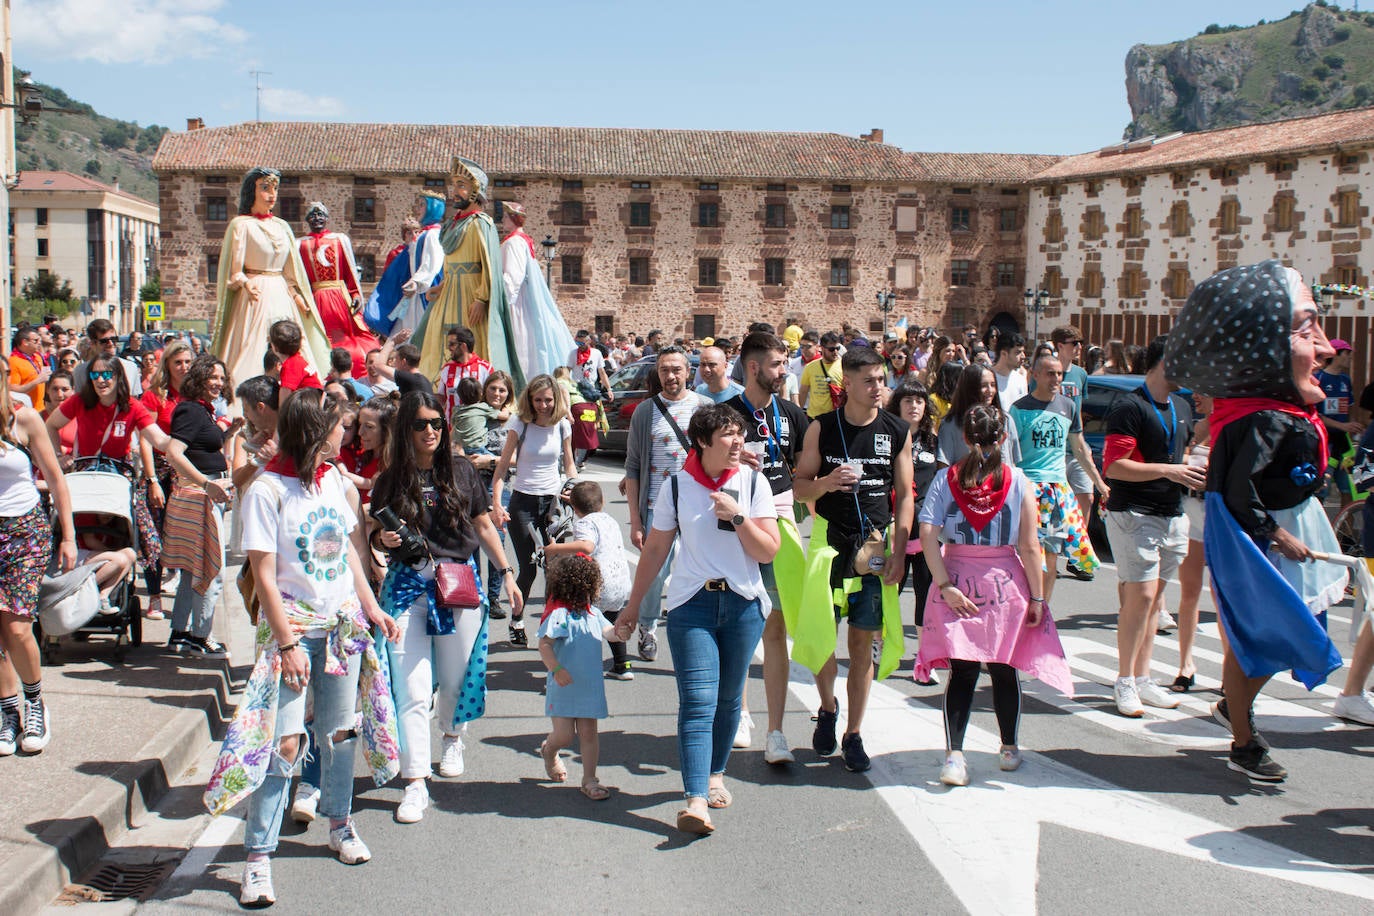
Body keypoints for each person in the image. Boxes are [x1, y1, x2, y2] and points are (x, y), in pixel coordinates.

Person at [203, 389, 402, 908]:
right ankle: (257, 859)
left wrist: (372, 608)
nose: (350, 434)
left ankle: (340, 823)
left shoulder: (334, 479)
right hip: (292, 631)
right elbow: (263, 576)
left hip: (341, 627)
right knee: (284, 745)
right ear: (317, 430)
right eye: (342, 427)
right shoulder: (268, 491)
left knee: (338, 733)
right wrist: (287, 642)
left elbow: (350, 558)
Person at [1164, 259, 1345, 782]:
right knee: (1267, 638)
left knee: (1270, 638)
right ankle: (1242, 739)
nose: (1329, 348)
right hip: (1262, 540)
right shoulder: (1262, 416)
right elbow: (1238, 491)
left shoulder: (1274, 410)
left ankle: (1233, 711)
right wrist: (1278, 534)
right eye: (1308, 328)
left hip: (1288, 527)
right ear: (1267, 343)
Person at [615, 404, 779, 834]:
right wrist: (633, 607)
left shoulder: (754, 482)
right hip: (693, 606)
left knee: (728, 701)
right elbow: (654, 550)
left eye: (740, 434)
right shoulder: (676, 487)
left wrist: (738, 517)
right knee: (698, 702)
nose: (737, 441)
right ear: (703, 441)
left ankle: (714, 774)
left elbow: (767, 551)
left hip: (743, 606)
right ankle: (694, 800)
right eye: (727, 435)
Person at [372, 391, 522, 824]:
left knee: (455, 680)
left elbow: (482, 522)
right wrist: (382, 541)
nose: (430, 430)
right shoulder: (391, 478)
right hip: (407, 588)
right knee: (413, 690)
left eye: (436, 422)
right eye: (420, 424)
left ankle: (453, 735)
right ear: (405, 430)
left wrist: (506, 572)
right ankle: (415, 782)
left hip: (457, 586)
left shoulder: (460, 471)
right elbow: (374, 533)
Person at [914, 405, 1072, 786]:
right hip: (1005, 582)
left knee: (963, 673)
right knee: (1004, 669)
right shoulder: (1018, 481)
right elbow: (1030, 546)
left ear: (965, 438)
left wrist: (945, 585)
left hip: (957, 577)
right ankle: (1009, 749)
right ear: (1003, 438)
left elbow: (927, 534)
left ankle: (954, 756)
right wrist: (1037, 598)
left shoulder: (946, 479)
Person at [792, 346, 914, 774]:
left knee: (863, 644)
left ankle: (854, 733)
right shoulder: (821, 429)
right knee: (824, 638)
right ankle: (827, 706)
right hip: (830, 545)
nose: (879, 387)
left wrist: (900, 552)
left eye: (882, 379)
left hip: (876, 550)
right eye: (869, 381)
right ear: (848, 385)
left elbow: (906, 496)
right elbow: (799, 489)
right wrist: (826, 481)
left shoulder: (897, 430)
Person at [1101, 335, 1202, 717]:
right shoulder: (1130, 406)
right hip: (1134, 514)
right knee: (1140, 599)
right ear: (1164, 362)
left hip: (1173, 514)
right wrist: (1172, 470)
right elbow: (1114, 466)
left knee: (1154, 604)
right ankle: (1124, 680)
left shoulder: (1180, 405)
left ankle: (1142, 678)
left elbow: (1181, 451)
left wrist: (1191, 466)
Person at [724, 331, 810, 762]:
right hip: (735, 530)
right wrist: (733, 462)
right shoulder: (723, 415)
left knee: (775, 630)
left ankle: (776, 731)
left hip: (777, 526)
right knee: (741, 626)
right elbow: (700, 473)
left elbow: (807, 468)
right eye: (777, 364)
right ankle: (740, 711)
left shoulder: (793, 415)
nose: (784, 371)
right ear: (754, 367)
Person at [45, 352, 170, 602]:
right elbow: (51, 425)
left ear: (118, 377)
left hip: (117, 480)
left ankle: (99, 586)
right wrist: (58, 456)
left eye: (107, 374)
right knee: (87, 533)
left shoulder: (133, 407)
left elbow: (159, 439)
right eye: (95, 374)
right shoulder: (81, 401)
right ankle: (95, 582)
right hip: (86, 477)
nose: (101, 380)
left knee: (132, 533)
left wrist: (185, 441)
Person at [0, 375, 77, 756]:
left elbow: (56, 479)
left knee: (15, 626)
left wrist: (68, 536)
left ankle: (34, 703)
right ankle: (6, 710)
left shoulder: (24, 418)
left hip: (24, 532)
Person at [622, 346, 709, 661]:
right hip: (657, 505)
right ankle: (647, 626)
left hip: (698, 505)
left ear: (688, 372)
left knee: (699, 571)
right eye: (664, 371)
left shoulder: (704, 407)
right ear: (657, 374)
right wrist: (635, 519)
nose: (670, 376)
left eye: (676, 370)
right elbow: (632, 467)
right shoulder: (646, 411)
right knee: (654, 573)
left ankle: (696, 631)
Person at [211, 167, 331, 394]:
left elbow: (290, 271)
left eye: (274, 188)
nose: (272, 194)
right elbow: (235, 271)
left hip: (282, 294)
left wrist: (297, 296)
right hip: (255, 295)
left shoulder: (282, 226)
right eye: (265, 188)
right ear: (252, 191)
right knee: (253, 346)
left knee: (295, 346)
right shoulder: (241, 225)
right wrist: (246, 284)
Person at [161, 354, 241, 657]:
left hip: (205, 493)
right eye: (213, 378)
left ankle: (180, 633)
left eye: (221, 378)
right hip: (201, 496)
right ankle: (200, 636)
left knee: (190, 570)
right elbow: (175, 452)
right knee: (211, 569)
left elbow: (202, 445)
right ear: (199, 379)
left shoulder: (200, 411)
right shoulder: (192, 411)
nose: (218, 384)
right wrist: (207, 484)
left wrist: (229, 434)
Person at [413, 157, 520, 385]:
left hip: (473, 293)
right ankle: (437, 386)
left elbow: (489, 266)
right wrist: (439, 287)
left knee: (473, 341)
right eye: (455, 186)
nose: (456, 192)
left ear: (475, 190)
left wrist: (482, 299)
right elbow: (449, 266)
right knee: (437, 340)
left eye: (462, 186)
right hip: (449, 293)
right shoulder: (452, 225)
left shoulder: (481, 223)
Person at [1008, 354, 1104, 606]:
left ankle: (1043, 610)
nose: (1056, 379)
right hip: (1028, 491)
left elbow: (1080, 448)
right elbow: (1009, 453)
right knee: (1027, 554)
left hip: (1057, 492)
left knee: (1051, 553)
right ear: (1035, 375)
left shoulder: (1068, 406)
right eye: (1050, 373)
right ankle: (1025, 605)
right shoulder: (1019, 409)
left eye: (1059, 374)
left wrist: (1100, 483)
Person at [491, 374, 576, 646]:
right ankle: (517, 619)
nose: (543, 406)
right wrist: (496, 503)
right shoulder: (520, 424)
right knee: (528, 569)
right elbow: (502, 468)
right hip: (523, 503)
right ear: (530, 400)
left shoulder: (563, 425)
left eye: (548, 400)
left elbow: (570, 464)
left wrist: (573, 488)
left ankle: (550, 626)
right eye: (537, 400)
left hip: (553, 504)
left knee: (555, 567)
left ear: (556, 399)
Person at [537, 553, 624, 800]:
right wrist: (556, 669)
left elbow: (609, 632)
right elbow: (544, 645)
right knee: (564, 736)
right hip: (564, 686)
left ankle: (590, 779)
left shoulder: (593, 614)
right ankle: (550, 750)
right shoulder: (560, 615)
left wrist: (621, 632)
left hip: (589, 687)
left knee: (588, 734)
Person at [543, 481, 633, 679]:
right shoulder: (610, 519)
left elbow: (587, 547)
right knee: (611, 619)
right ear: (603, 502)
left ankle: (581, 667)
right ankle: (622, 664)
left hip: (599, 583)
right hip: (620, 581)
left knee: (585, 622)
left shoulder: (584, 523)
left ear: (574, 508)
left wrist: (554, 548)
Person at [886, 377, 940, 680]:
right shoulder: (888, 436)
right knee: (888, 590)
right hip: (894, 526)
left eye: (919, 401)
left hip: (926, 529)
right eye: (908, 400)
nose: (914, 406)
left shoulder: (933, 440)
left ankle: (925, 657)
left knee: (926, 592)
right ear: (898, 405)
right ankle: (883, 645)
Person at [298, 201, 380, 379]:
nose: (317, 218)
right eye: (312, 215)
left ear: (326, 218)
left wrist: (355, 294)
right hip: (315, 298)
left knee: (352, 337)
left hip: (340, 297)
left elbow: (349, 271)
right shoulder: (300, 244)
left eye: (320, 215)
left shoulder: (339, 239)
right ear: (307, 219)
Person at [498, 200, 576, 378]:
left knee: (521, 344)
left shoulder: (514, 243)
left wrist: (502, 302)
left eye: (505, 216)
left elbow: (512, 278)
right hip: (522, 299)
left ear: (513, 218)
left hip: (515, 302)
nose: (502, 219)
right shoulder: (521, 241)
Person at [366, 193, 445, 338]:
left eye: (422, 205)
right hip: (414, 293)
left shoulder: (433, 235)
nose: (418, 209)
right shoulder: (424, 234)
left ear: (433, 208)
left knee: (416, 331)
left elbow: (432, 263)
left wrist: (417, 282)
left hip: (422, 292)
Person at [937, 363, 1021, 468]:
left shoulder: (1006, 420)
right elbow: (943, 466)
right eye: (984, 386)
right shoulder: (951, 424)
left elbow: (1012, 462)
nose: (990, 391)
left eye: (993, 385)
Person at [1317, 338, 1363, 506]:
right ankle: (1320, 531)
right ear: (1335, 354)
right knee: (1321, 489)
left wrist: (1352, 426)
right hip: (1324, 442)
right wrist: (1341, 425)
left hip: (1344, 444)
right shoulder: (1319, 378)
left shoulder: (1345, 380)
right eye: (1347, 354)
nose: (1349, 358)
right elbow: (1315, 414)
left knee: (1350, 489)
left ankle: (1345, 532)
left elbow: (1348, 410)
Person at [436, 326, 492, 422]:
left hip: (476, 430)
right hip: (451, 431)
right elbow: (441, 397)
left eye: (452, 344)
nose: (449, 348)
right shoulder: (447, 369)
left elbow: (492, 398)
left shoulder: (485, 368)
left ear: (463, 346)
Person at [270, 319, 323, 401]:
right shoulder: (297, 359)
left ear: (275, 348)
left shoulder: (290, 366)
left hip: (310, 404)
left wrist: (281, 413)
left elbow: (285, 396)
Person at [799, 331, 844, 418]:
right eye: (831, 349)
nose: (835, 352)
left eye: (837, 348)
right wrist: (799, 415)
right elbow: (803, 392)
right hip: (814, 417)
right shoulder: (810, 367)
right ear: (822, 348)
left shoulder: (844, 366)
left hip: (836, 417)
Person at [9, 326, 51, 411]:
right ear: (25, 342)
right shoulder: (13, 361)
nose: (39, 343)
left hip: (42, 408)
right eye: (35, 341)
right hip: (27, 411)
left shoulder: (37, 356)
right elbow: (13, 390)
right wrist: (36, 381)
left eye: (39, 340)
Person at [992, 333, 1027, 411]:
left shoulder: (1020, 380)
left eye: (1023, 352)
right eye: (1018, 352)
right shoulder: (988, 378)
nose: (1023, 356)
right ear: (1004, 354)